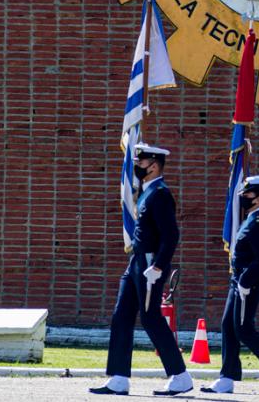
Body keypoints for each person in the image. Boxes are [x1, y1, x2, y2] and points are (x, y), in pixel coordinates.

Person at [90, 143, 193, 396]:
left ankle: (180, 375)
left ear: (154, 165)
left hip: (149, 263)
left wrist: (158, 265)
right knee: (121, 316)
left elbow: (171, 235)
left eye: (141, 162)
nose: (136, 166)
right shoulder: (147, 191)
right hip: (137, 261)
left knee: (150, 318)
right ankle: (119, 377)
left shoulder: (160, 194)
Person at [202, 174, 259, 395]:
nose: (242, 196)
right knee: (228, 327)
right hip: (239, 283)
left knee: (243, 330)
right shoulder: (252, 218)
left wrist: (244, 281)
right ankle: (227, 378)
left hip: (247, 284)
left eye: (248, 193)